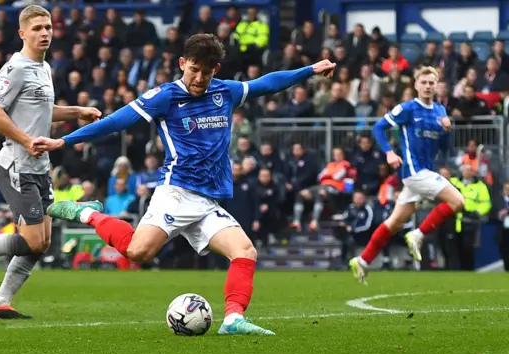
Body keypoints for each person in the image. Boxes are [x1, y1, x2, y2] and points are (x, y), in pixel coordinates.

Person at [32, 33, 336, 335]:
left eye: (206, 71)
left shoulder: (224, 93)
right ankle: (87, 213)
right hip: (176, 193)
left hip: (206, 202)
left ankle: (232, 319)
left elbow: (267, 83)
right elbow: (116, 121)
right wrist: (64, 140)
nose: (199, 78)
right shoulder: (165, 96)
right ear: (182, 64)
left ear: (215, 69)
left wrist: (309, 70)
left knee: (245, 251)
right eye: (194, 69)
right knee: (138, 253)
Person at [0, 5, 101, 319]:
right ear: (22, 33)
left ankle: (0, 303)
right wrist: (26, 140)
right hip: (17, 164)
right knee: (33, 240)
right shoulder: (16, 68)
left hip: (40, 166)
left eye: (49, 27)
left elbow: (43, 110)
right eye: (38, 28)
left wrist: (76, 113)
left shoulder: (44, 68)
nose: (45, 33)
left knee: (42, 242)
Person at [349, 66, 465, 284]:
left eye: (432, 83)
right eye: (424, 82)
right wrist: (389, 152)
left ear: (437, 85)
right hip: (414, 171)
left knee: (395, 223)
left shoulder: (440, 111)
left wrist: (448, 131)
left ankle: (362, 261)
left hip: (424, 172)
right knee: (457, 201)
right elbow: (378, 128)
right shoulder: (407, 109)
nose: (428, 86)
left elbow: (446, 147)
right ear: (416, 85)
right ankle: (418, 235)